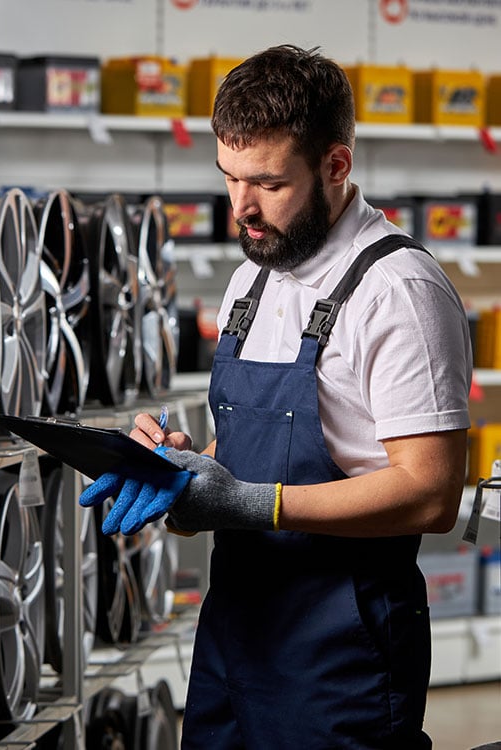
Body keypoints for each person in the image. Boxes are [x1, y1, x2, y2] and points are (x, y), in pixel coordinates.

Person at [79, 44, 472, 748]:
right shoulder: (252, 281)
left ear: (336, 166)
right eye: (229, 178)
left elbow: (432, 494)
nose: (242, 209)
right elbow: (251, 452)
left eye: (267, 183)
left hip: (339, 656)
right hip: (234, 636)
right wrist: (184, 472)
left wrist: (249, 503)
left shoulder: (398, 292)